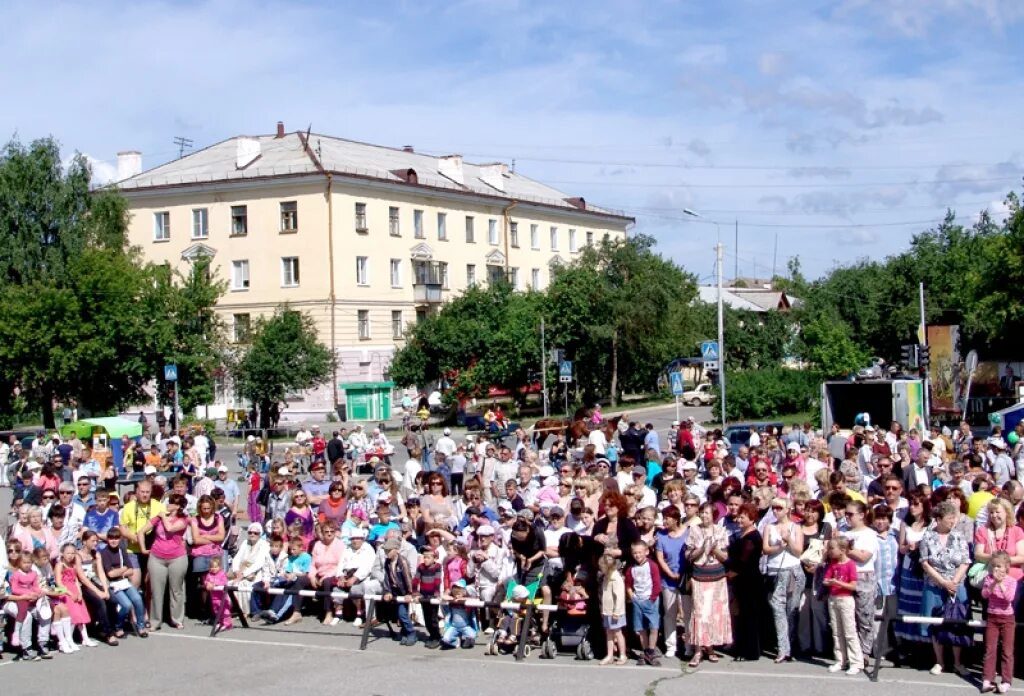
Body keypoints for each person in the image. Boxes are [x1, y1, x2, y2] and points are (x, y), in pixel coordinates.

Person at [919, 500, 971, 676]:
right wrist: (943, 582)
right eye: (949, 518)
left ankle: (958, 662)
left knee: (957, 623)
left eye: (954, 518)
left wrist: (954, 582)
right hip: (934, 584)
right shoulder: (927, 536)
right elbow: (925, 563)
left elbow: (965, 561)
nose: (952, 521)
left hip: (956, 585)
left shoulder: (959, 536)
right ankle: (939, 661)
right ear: (939, 519)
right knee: (935, 624)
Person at [684, 502, 731, 668]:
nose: (704, 516)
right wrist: (702, 548)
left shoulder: (721, 530)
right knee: (700, 613)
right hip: (699, 576)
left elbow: (725, 557)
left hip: (717, 576)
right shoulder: (694, 530)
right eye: (702, 512)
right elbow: (689, 555)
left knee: (714, 613)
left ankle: (710, 646)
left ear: (714, 515)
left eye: (707, 513)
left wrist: (714, 550)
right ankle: (698, 650)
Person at [138, 492, 190, 630]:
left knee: (176, 589)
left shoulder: (183, 519)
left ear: (178, 506)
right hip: (157, 556)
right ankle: (155, 621)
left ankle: (177, 619)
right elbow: (141, 531)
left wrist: (163, 516)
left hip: (177, 557)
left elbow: (170, 528)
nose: (168, 504)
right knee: (156, 590)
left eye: (171, 502)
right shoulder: (159, 518)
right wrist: (144, 548)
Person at [763, 497, 805, 663]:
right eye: (773, 508)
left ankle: (791, 647)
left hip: (792, 571)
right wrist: (779, 546)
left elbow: (798, 551)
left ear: (787, 509)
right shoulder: (769, 527)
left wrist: (789, 539)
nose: (775, 511)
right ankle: (782, 648)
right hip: (774, 571)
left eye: (779, 508)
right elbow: (766, 549)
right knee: (777, 609)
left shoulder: (795, 527)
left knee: (791, 610)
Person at [841, 500, 878, 662]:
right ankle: (849, 650)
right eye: (845, 514)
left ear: (861, 515)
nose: (847, 517)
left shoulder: (869, 534)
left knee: (864, 615)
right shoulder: (843, 532)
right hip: (843, 575)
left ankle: (864, 652)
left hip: (863, 576)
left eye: (850, 514)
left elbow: (864, 556)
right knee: (846, 615)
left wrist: (846, 549)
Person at [726, 502, 764, 661]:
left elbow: (744, 560)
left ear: (752, 518)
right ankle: (739, 645)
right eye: (739, 516)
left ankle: (749, 651)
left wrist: (732, 573)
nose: (739, 520)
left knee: (749, 615)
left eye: (743, 517)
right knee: (739, 614)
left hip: (749, 580)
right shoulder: (742, 534)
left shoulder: (752, 536)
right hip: (741, 579)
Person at [823, 537, 863, 675]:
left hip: (846, 599)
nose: (829, 551)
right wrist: (829, 582)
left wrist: (839, 583)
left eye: (832, 548)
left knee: (849, 632)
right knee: (836, 631)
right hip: (833, 599)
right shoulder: (833, 564)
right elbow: (826, 580)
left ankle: (856, 662)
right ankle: (841, 660)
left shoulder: (850, 564)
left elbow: (853, 585)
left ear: (842, 550)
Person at [99, 526, 148, 638]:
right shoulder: (104, 553)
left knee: (138, 599)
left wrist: (120, 572)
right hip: (113, 584)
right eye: (111, 538)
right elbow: (110, 574)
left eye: (116, 538)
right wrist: (123, 569)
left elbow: (130, 570)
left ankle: (140, 626)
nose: (114, 540)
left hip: (123, 581)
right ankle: (118, 626)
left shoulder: (122, 551)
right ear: (107, 539)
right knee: (126, 605)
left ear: (120, 539)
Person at [981, 551, 1017, 693]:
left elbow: (1009, 598)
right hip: (992, 617)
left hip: (1007, 618)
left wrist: (1001, 583)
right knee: (990, 649)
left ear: (1007, 567)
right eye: (994, 566)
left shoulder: (1011, 581)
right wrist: (994, 583)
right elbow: (984, 594)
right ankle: (987, 679)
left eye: (999, 566)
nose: (996, 569)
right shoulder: (989, 579)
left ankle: (1006, 680)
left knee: (1007, 651)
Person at [626, 540, 662, 666]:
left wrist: (652, 599)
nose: (637, 555)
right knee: (641, 628)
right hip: (638, 600)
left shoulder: (652, 565)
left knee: (653, 626)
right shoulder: (631, 568)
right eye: (635, 553)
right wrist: (633, 598)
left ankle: (651, 650)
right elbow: (629, 585)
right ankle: (645, 650)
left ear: (646, 552)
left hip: (650, 600)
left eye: (640, 552)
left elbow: (657, 584)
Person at [599, 553, 628, 665]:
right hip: (607, 610)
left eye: (603, 567)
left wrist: (617, 612)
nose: (601, 569)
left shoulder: (616, 578)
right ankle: (610, 655)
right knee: (609, 633)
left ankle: (622, 655)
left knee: (618, 632)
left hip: (616, 612)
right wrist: (604, 610)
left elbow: (620, 596)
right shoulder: (606, 577)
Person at [204, 556, 232, 631]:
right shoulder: (209, 575)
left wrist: (215, 584)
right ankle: (220, 622)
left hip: (222, 597)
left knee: (225, 610)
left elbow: (224, 582)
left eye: (215, 567)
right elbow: (206, 581)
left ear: (219, 567)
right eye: (212, 567)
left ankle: (227, 624)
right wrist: (207, 584)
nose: (213, 569)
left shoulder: (222, 574)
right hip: (214, 597)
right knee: (216, 610)